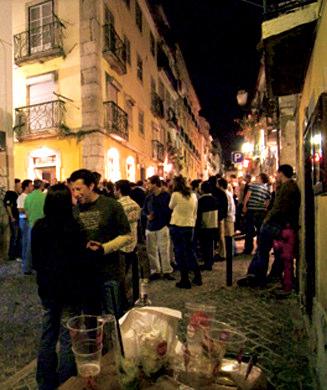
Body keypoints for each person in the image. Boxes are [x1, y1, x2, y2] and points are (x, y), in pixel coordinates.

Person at [32, 184, 87, 390]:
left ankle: (45, 382)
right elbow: (79, 260)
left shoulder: (39, 226)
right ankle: (66, 382)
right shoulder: (74, 227)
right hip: (70, 289)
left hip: (48, 289)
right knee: (67, 337)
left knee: (48, 335)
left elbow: (36, 260)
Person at [70, 169, 131, 315]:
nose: (76, 193)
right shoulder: (75, 210)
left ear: (91, 186)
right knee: (91, 316)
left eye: (79, 189)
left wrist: (104, 248)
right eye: (73, 190)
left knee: (113, 316)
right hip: (85, 274)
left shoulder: (112, 205)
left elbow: (127, 236)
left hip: (109, 271)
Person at [237, 164, 301, 287]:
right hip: (282, 224)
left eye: (277, 174)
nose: (276, 176)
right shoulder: (288, 186)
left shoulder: (287, 188)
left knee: (262, 250)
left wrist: (267, 220)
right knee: (273, 252)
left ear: (281, 173)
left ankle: (256, 276)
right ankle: (266, 275)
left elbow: (278, 208)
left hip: (276, 224)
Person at [169, 175, 201, 289]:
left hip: (177, 225)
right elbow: (195, 211)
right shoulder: (193, 195)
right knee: (190, 252)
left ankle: (185, 279)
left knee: (179, 253)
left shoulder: (175, 195)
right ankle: (197, 276)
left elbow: (171, 206)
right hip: (190, 226)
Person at [142, 175, 174, 280]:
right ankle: (155, 271)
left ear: (155, 184)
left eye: (149, 183)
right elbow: (144, 210)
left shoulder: (166, 196)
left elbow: (170, 211)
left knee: (164, 249)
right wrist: (147, 215)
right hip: (150, 226)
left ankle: (166, 271)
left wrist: (166, 222)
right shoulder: (148, 197)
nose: (147, 185)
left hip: (162, 226)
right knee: (151, 250)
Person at [114, 180, 141, 304]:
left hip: (121, 244)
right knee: (131, 272)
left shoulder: (117, 206)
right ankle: (134, 296)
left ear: (119, 190)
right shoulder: (135, 204)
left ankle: (122, 299)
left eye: (115, 189)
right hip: (132, 242)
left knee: (120, 274)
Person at [242, 173, 271, 255]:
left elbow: (247, 196)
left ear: (261, 179)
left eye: (257, 177)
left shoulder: (253, 186)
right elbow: (267, 201)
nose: (256, 178)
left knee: (249, 230)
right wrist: (265, 208)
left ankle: (248, 249)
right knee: (259, 230)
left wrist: (244, 206)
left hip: (251, 210)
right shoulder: (267, 188)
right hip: (261, 211)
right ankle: (259, 248)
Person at [24, 179, 46, 275]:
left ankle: (27, 268)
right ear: (41, 186)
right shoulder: (44, 197)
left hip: (32, 224)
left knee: (29, 247)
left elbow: (26, 212)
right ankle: (42, 267)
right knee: (43, 247)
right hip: (43, 225)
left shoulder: (28, 197)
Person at [196, 181, 219, 271]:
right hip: (213, 224)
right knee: (210, 244)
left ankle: (207, 263)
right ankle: (210, 261)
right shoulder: (215, 199)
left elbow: (198, 215)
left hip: (205, 225)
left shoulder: (201, 200)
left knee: (204, 245)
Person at [3, 178, 21, 261]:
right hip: (14, 218)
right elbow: (8, 205)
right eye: (19, 185)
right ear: (15, 185)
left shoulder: (17, 194)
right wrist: (12, 217)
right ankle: (12, 255)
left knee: (17, 236)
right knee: (14, 236)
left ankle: (16, 253)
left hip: (18, 218)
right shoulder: (10, 193)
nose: (20, 186)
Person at [17, 179, 33, 270]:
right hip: (24, 220)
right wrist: (29, 210)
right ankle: (24, 261)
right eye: (31, 186)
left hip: (29, 220)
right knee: (25, 241)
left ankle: (28, 261)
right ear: (26, 187)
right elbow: (20, 209)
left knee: (29, 241)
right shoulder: (21, 197)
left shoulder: (30, 196)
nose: (32, 187)